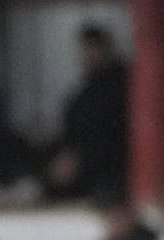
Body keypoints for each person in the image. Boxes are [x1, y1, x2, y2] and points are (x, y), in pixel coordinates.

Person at [43, 25, 128, 201]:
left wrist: (80, 161)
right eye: (86, 49)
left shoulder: (120, 89)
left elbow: (112, 137)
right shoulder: (83, 93)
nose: (89, 55)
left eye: (94, 48)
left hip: (108, 175)